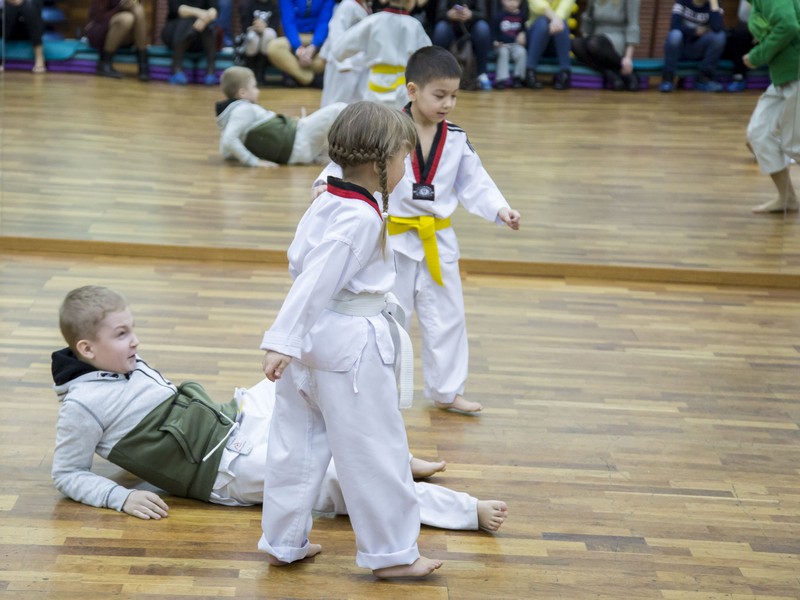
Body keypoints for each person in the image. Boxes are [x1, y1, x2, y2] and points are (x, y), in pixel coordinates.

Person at [51, 285, 509, 533]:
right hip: (226, 469)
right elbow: (67, 473)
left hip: (234, 421)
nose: (135, 340)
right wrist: (122, 495)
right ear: (87, 348)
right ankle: (464, 511)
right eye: (122, 334)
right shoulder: (82, 406)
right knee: (339, 478)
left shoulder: (119, 364)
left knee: (299, 370)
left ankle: (398, 460)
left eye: (132, 329)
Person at [259, 102, 445, 578]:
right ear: (381, 164)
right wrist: (282, 338)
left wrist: (290, 342)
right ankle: (392, 555)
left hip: (310, 346)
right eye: (404, 158)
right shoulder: (360, 218)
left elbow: (312, 269)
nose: (407, 168)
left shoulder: (329, 193)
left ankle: (283, 540)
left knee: (294, 446)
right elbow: (317, 279)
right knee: (374, 451)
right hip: (349, 349)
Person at [317, 47, 521, 413]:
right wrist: (325, 183)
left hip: (437, 239)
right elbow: (349, 157)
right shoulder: (386, 127)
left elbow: (476, 181)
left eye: (455, 96)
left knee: (447, 315)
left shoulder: (456, 138)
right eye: (439, 95)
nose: (448, 104)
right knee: (392, 316)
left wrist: (500, 208)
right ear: (412, 90)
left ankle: (447, 390)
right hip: (391, 238)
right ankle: (384, 393)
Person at [216, 66, 346, 167]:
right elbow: (229, 140)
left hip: (297, 147)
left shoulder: (230, 115)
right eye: (254, 87)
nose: (258, 90)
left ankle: (327, 153)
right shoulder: (243, 110)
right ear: (242, 93)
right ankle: (358, 151)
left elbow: (226, 150)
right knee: (339, 109)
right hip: (300, 139)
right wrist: (253, 161)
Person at [743, 0, 800, 213]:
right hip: (783, 77)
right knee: (758, 134)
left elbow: (788, 25)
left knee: (795, 146)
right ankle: (787, 198)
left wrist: (758, 55)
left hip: (796, 74)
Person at [330, 0, 432, 108]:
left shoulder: (374, 21)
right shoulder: (415, 26)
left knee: (372, 121)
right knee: (399, 122)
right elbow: (430, 61)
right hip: (403, 90)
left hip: (375, 86)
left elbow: (339, 50)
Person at [571, 0, 641, 91]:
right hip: (595, 37)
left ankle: (624, 67)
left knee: (595, 44)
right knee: (575, 43)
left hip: (617, 37)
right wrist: (586, 42)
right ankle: (609, 74)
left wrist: (628, 58)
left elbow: (633, 25)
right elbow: (587, 19)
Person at [658, 0, 727, 93]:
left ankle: (704, 79)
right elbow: (674, 26)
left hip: (698, 49)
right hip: (680, 48)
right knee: (675, 35)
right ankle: (667, 79)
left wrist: (714, 6)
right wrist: (694, 31)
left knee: (719, 36)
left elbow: (717, 28)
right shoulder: (682, 2)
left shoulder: (714, 5)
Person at [265, 0, 334, 86]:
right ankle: (310, 78)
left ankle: (297, 76)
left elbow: (324, 22)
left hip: (317, 38)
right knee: (274, 47)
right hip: (295, 37)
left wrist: (314, 46)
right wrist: (298, 49)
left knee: (334, 48)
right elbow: (288, 22)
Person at [431, 0, 493, 90]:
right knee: (441, 28)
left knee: (483, 28)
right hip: (449, 25)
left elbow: (484, 14)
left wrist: (471, 14)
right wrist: (449, 14)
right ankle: (438, 74)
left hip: (471, 27)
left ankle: (481, 74)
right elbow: (438, 14)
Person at [84, 0, 151, 81]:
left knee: (139, 10)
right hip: (100, 32)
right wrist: (120, 8)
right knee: (126, 18)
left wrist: (130, 7)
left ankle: (143, 64)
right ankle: (104, 63)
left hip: (124, 36)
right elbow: (96, 17)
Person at [160, 0, 219, 86]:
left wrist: (204, 20)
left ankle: (211, 71)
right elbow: (178, 9)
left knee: (209, 26)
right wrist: (200, 13)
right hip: (174, 32)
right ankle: (176, 68)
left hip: (200, 34)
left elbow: (214, 12)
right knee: (187, 22)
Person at [524, 0, 576, 90]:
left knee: (561, 24)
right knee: (543, 23)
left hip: (557, 39)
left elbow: (565, 8)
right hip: (534, 39)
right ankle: (529, 71)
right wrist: (555, 19)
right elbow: (538, 6)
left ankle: (565, 72)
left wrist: (557, 20)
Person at [234, 0, 279, 85]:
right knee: (253, 37)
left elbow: (275, 27)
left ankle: (260, 72)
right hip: (249, 42)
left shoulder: (274, 6)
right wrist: (255, 27)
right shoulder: (247, 4)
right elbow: (244, 27)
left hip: (266, 44)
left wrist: (264, 27)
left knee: (268, 33)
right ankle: (251, 70)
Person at [491, 0, 529, 89]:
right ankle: (501, 80)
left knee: (522, 52)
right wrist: (494, 42)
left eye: (515, 1)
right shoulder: (498, 16)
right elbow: (493, 31)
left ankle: (518, 78)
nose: (512, 3)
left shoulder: (522, 16)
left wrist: (523, 34)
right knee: (503, 53)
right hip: (502, 45)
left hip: (515, 44)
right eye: (509, 0)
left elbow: (524, 30)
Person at [1, 0, 46, 73]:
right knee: (8, 8)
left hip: (29, 27)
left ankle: (39, 56)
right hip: (8, 27)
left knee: (29, 6)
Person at [721, 0, 755, 92]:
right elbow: (743, 16)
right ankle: (738, 76)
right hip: (752, 30)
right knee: (738, 33)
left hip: (772, 30)